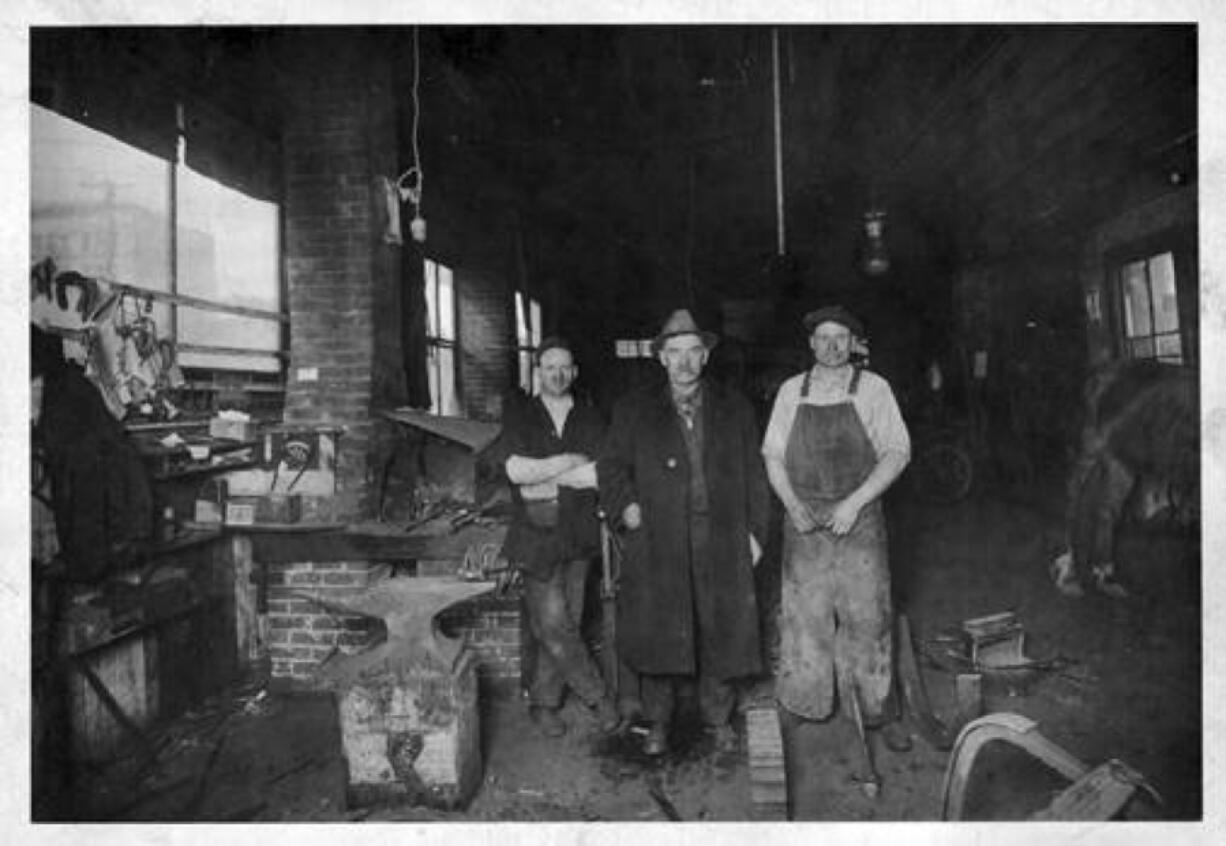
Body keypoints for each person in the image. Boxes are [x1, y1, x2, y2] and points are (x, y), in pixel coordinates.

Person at [599, 308, 768, 757]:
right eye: (675, 353)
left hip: (721, 535)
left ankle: (718, 719)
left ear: (706, 357)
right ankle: (658, 722)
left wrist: (756, 532)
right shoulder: (634, 410)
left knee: (719, 628)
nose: (685, 362)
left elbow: (756, 472)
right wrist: (626, 507)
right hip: (659, 537)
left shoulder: (736, 408)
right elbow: (611, 468)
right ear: (661, 359)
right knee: (661, 627)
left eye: (694, 352)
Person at [761, 305, 911, 808]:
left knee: (868, 618)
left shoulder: (875, 390)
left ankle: (877, 712)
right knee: (805, 617)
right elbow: (773, 456)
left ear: (853, 342)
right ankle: (805, 702)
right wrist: (793, 507)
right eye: (822, 338)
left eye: (840, 338)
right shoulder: (790, 391)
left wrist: (854, 503)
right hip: (803, 519)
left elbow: (897, 451)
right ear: (810, 345)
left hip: (860, 518)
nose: (830, 347)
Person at [493, 337, 619, 738]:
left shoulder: (591, 415)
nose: (558, 374)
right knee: (551, 622)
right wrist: (569, 464)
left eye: (565, 367)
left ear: (575, 372)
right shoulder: (521, 415)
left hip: (578, 533)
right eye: (550, 367)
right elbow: (514, 471)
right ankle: (597, 696)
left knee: (570, 620)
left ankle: (545, 702)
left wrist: (547, 477)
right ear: (538, 372)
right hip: (536, 535)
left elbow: (601, 472)